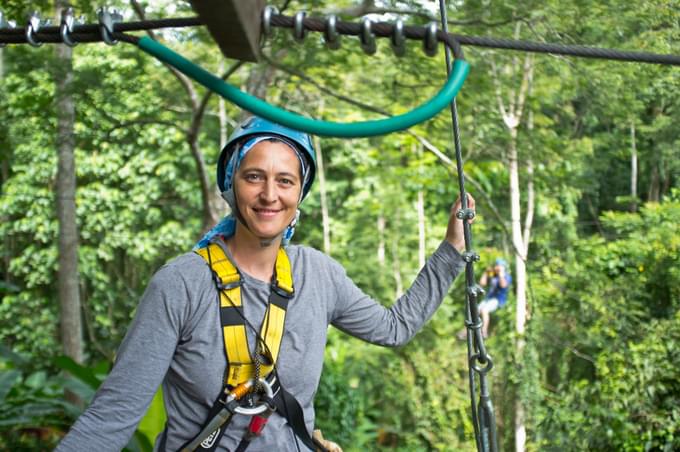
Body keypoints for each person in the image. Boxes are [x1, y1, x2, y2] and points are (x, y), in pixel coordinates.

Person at [56, 116, 474, 452]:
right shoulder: (181, 285)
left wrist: (452, 248)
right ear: (231, 185)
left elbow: (394, 328)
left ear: (300, 193)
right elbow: (112, 417)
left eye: (285, 180)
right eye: (254, 177)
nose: (269, 194)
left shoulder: (318, 274)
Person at [466, 258, 512, 339]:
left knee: (484, 310)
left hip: (498, 300)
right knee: (475, 310)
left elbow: (503, 285)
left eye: (499, 266)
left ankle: (484, 331)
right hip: (488, 299)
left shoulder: (507, 277)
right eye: (496, 266)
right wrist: (486, 273)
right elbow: (482, 283)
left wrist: (501, 274)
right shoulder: (493, 275)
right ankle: (467, 331)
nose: (497, 268)